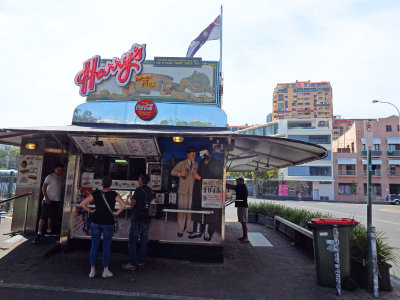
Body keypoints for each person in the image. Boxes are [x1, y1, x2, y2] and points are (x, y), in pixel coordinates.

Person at [80, 175, 126, 278]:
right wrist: (116, 213)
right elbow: (123, 205)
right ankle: (105, 270)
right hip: (108, 223)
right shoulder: (114, 194)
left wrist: (90, 210)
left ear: (101, 183)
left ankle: (92, 270)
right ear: (111, 184)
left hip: (95, 222)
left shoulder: (96, 193)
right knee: (106, 246)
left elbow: (82, 203)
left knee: (94, 245)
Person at [190, 145, 223, 240]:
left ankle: (206, 232)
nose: (202, 156)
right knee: (198, 210)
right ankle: (197, 231)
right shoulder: (201, 163)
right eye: (200, 154)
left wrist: (199, 178)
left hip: (210, 193)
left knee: (208, 212)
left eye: (203, 153)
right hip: (199, 192)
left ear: (208, 152)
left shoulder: (216, 164)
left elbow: (217, 180)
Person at [122, 174, 153, 271]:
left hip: (138, 218)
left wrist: (131, 202)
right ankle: (141, 262)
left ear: (141, 181)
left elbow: (132, 204)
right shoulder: (150, 191)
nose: (138, 181)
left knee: (132, 241)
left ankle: (132, 263)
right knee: (144, 241)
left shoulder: (138, 191)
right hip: (147, 219)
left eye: (139, 179)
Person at [171, 146, 199, 237]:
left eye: (195, 154)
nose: (194, 155)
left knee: (190, 210)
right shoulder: (181, 164)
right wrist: (180, 174)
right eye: (192, 154)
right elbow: (172, 172)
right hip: (182, 190)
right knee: (181, 210)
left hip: (192, 191)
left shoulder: (197, 165)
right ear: (188, 155)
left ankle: (189, 229)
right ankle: (180, 230)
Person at [33, 163, 64, 244]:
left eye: (61, 169)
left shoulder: (60, 177)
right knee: (43, 217)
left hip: (56, 200)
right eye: (58, 169)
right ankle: (39, 233)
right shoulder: (50, 176)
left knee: (51, 216)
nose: (59, 171)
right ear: (54, 169)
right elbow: (43, 187)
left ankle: (49, 230)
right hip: (48, 200)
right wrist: (46, 198)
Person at [226, 178, 249, 243]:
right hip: (241, 206)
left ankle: (246, 238)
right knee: (242, 222)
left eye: (237, 181)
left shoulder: (241, 186)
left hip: (243, 206)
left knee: (243, 222)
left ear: (241, 181)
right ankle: (244, 237)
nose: (236, 182)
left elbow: (231, 187)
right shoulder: (241, 186)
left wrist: (223, 182)